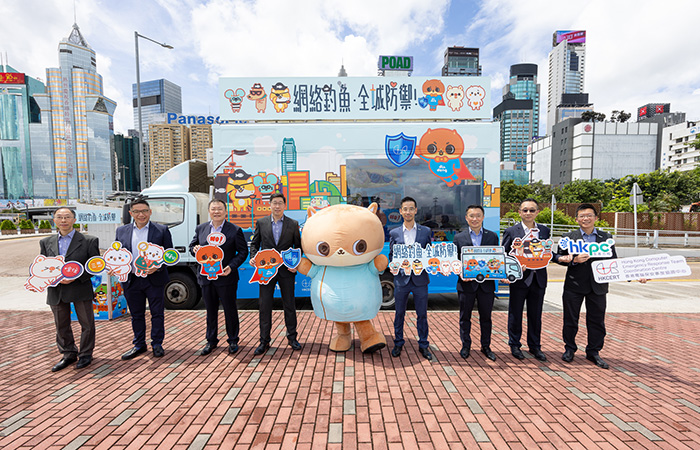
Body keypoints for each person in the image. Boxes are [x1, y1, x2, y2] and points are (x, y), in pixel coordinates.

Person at [555, 203, 643, 369]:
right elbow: (560, 258)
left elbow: (614, 262)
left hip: (598, 286)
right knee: (570, 320)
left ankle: (593, 352)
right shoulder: (568, 237)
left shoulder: (605, 238)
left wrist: (634, 275)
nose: (585, 218)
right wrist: (573, 260)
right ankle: (569, 349)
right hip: (574, 285)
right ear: (576, 219)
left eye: (589, 215)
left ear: (596, 218)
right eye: (582, 216)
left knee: (597, 321)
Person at [38, 208, 99, 372]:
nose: (63, 220)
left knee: (87, 323)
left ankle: (86, 354)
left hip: (79, 286)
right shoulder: (46, 242)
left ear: (74, 219)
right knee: (61, 324)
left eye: (67, 217)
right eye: (59, 217)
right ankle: (68, 353)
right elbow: (43, 266)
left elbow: (94, 266)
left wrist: (77, 276)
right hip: (56, 289)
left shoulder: (89, 241)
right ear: (54, 220)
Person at [115, 198, 173, 360]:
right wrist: (115, 266)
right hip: (131, 279)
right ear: (131, 213)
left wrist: (159, 266)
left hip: (154, 278)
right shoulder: (121, 231)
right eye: (137, 212)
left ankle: (157, 343)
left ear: (150, 212)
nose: (141, 215)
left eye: (144, 211)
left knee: (157, 313)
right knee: (136, 314)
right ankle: (139, 344)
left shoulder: (161, 230)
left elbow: (169, 254)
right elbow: (118, 255)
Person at [189, 199, 249, 356]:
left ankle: (233, 339)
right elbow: (192, 247)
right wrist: (195, 249)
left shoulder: (234, 230)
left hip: (226, 277)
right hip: (206, 278)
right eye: (213, 209)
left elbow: (243, 252)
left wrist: (231, 266)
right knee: (210, 310)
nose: (216, 211)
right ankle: (211, 340)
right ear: (209, 211)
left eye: (219, 209)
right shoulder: (201, 228)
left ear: (225, 211)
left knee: (230, 309)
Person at [502, 198, 557, 362]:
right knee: (515, 313)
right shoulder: (512, 231)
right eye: (525, 210)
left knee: (536, 314)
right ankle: (514, 345)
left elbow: (548, 253)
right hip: (519, 279)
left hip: (538, 279)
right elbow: (505, 255)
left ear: (537, 212)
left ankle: (535, 346)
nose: (528, 213)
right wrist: (513, 269)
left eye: (532, 210)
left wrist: (564, 258)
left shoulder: (544, 231)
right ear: (519, 212)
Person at [249, 192, 302, 355]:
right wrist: (253, 258)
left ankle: (292, 338)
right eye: (274, 203)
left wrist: (296, 264)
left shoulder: (293, 224)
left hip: (286, 270)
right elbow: (255, 244)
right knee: (264, 306)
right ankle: (264, 341)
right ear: (270, 205)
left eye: (280, 203)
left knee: (289, 305)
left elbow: (298, 246)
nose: (277, 206)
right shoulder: (261, 222)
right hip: (266, 271)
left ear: (284, 206)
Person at [453, 205, 499, 361]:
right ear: (466, 218)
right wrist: (460, 271)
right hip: (466, 284)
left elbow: (496, 260)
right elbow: (455, 261)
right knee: (465, 317)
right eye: (471, 216)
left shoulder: (492, 237)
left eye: (478, 215)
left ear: (483, 217)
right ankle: (466, 345)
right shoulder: (459, 238)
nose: (475, 219)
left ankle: (486, 346)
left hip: (486, 285)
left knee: (486, 317)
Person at [389, 196, 433, 360]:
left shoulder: (425, 231)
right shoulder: (394, 232)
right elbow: (392, 255)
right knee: (399, 313)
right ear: (400, 211)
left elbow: (428, 254)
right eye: (405, 209)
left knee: (422, 314)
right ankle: (398, 342)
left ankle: (423, 344)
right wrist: (393, 264)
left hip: (420, 279)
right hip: (401, 280)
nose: (408, 212)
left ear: (415, 211)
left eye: (411, 209)